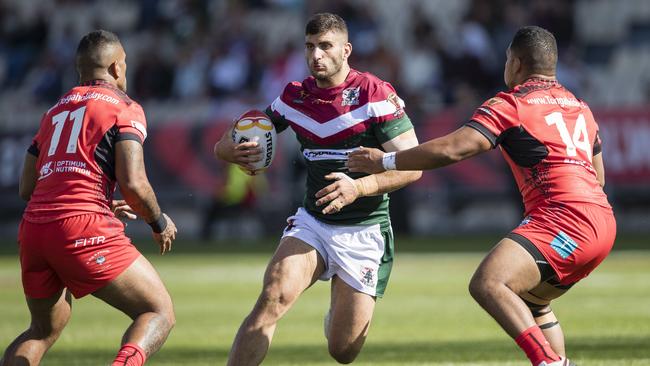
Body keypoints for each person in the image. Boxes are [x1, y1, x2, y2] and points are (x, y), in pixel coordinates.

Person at [348, 26, 615, 366]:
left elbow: (453, 149)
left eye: (506, 59)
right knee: (533, 304)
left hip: (563, 220)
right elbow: (599, 177)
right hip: (602, 223)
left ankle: (551, 362)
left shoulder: (512, 105)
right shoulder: (580, 107)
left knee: (488, 283)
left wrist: (385, 159)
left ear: (515, 63)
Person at [214, 13, 421, 365]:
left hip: (365, 231)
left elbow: (414, 165)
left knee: (342, 351)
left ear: (346, 50)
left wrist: (360, 187)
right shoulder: (295, 96)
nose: (316, 55)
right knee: (271, 299)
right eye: (310, 47)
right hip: (313, 224)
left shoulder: (374, 93)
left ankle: (339, 315)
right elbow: (238, 134)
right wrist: (228, 149)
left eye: (325, 46)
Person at [1, 30, 177, 366]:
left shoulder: (54, 112)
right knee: (157, 311)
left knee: (40, 330)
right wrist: (159, 221)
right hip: (82, 229)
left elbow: (28, 187)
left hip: (35, 231)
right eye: (124, 63)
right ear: (115, 67)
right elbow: (134, 183)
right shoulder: (126, 108)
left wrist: (101, 200)